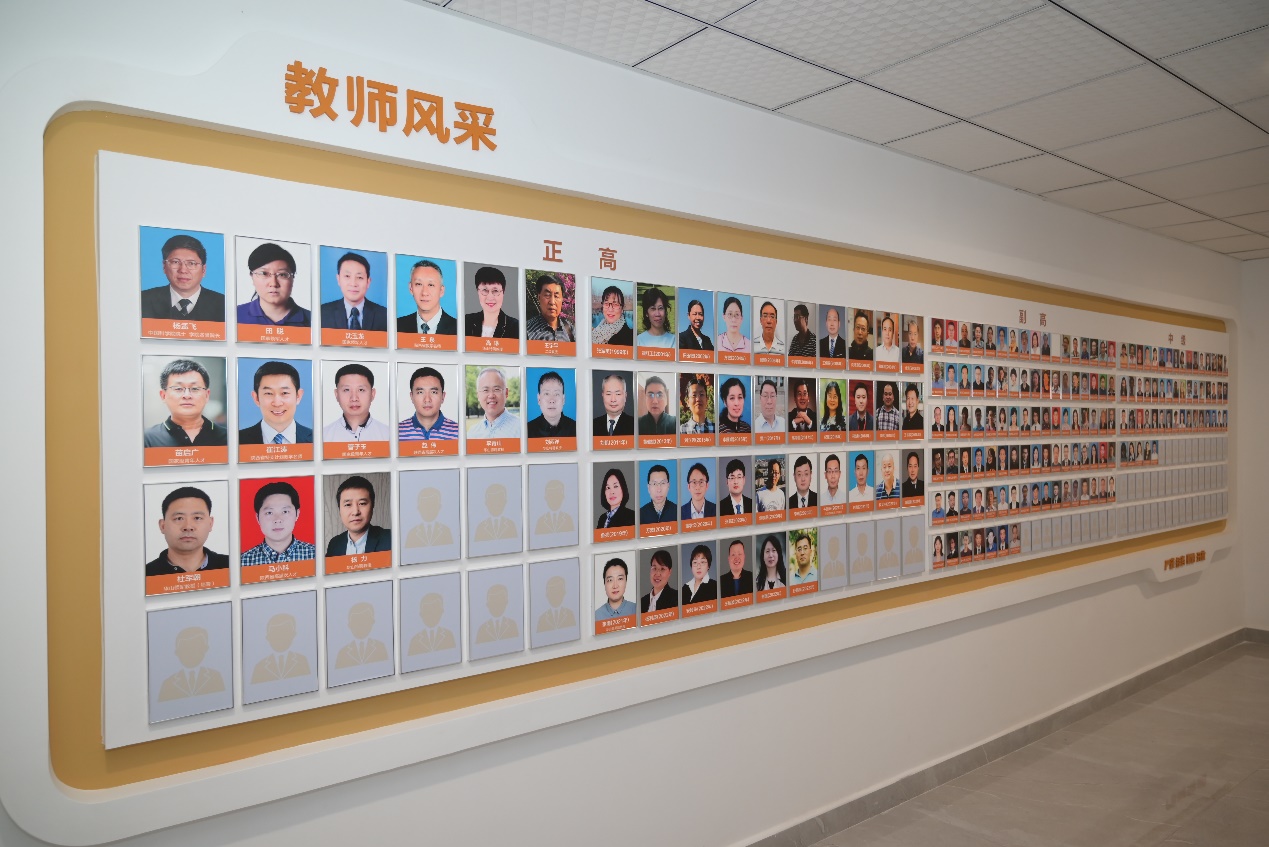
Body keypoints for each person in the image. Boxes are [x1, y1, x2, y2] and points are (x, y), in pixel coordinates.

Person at [146, 486, 229, 576]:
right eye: (179, 518)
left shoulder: (233, 566)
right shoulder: (143, 575)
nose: (188, 526)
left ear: (210, 523)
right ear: (162, 526)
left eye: (197, 518)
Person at [144, 359, 228, 448]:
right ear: (163, 395)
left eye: (195, 388)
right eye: (178, 389)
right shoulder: (147, 439)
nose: (187, 395)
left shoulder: (229, 437)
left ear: (207, 395)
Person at [141, 233, 226, 321]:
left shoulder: (224, 305)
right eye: (175, 262)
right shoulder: (142, 300)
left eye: (191, 263)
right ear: (164, 267)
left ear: (203, 270)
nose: (183, 270)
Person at [241, 481, 316, 565]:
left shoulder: (317, 556)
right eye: (269, 512)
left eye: (285, 511)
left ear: (297, 514)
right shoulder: (241, 562)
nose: (277, 519)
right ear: (257, 517)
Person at [238, 361, 312, 445]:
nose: (277, 403)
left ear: (298, 396)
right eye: (269, 393)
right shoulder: (235, 441)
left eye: (284, 393)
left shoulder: (318, 439)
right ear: (256, 398)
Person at [237, 242, 309, 328]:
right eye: (264, 273)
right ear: (252, 276)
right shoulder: (233, 316)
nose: (273, 283)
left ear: (292, 278)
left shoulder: (315, 321)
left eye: (282, 274)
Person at [323, 363, 391, 443]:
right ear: (336, 394)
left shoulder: (390, 436)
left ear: (372, 394)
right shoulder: (322, 437)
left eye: (361, 390)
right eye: (346, 390)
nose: (354, 398)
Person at [321, 252, 386, 331]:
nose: (353, 284)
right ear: (338, 279)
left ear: (368, 282)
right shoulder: (322, 314)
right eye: (347, 276)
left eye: (359, 277)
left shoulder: (385, 316)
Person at [326, 475, 391, 556]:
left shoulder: (391, 539)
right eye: (348, 504)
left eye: (362, 503)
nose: (355, 512)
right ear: (339, 509)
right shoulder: (334, 545)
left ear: (372, 506)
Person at [399, 367, 460, 442]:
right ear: (412, 397)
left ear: (443, 396)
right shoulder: (396, 432)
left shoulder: (459, 432)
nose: (427, 399)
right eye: (420, 392)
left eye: (433, 392)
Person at [397, 259, 455, 335]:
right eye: (418, 284)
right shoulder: (396, 326)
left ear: (441, 290)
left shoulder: (459, 328)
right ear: (411, 288)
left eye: (431, 285)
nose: (424, 292)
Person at [463, 266, 518, 340]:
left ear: (503, 292)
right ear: (478, 292)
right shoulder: (465, 322)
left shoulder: (516, 327)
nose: (490, 297)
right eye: (485, 290)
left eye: (495, 291)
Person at [468, 367, 520, 438]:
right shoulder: (471, 434)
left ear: (506, 393)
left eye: (496, 389)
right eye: (485, 390)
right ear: (478, 395)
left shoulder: (523, 428)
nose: (491, 395)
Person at [524, 273, 574, 342]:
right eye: (547, 295)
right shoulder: (526, 330)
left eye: (556, 296)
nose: (552, 302)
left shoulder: (569, 329)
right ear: (539, 297)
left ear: (562, 299)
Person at [526, 370, 577, 438]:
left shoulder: (577, 429)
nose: (552, 400)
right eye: (546, 394)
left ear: (563, 399)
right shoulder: (526, 431)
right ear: (539, 399)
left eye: (556, 394)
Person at [593, 372, 634, 436]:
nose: (613, 400)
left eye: (618, 394)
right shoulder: (593, 425)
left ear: (625, 396)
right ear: (602, 395)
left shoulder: (635, 425)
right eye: (608, 394)